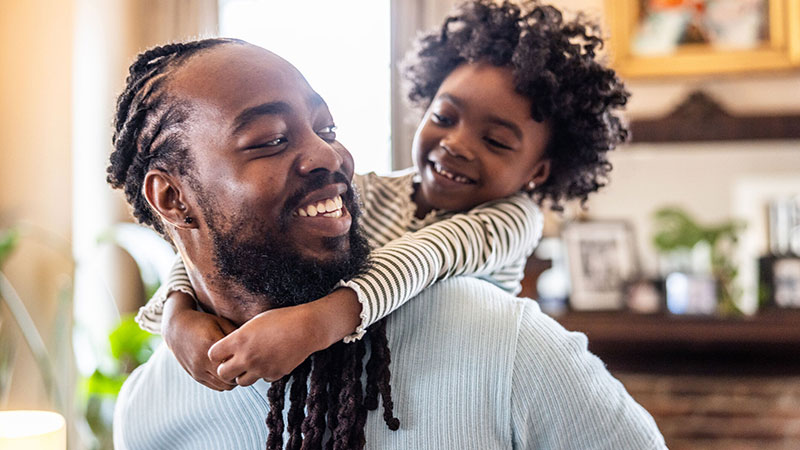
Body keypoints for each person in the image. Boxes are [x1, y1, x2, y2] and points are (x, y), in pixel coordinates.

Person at [110, 30, 665, 450]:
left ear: (538, 170)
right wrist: (178, 312)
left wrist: (320, 320)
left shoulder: (510, 337)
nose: (329, 153)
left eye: (327, 129)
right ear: (172, 199)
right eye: (271, 138)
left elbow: (423, 258)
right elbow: (207, 249)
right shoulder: (147, 410)